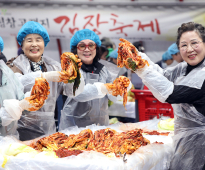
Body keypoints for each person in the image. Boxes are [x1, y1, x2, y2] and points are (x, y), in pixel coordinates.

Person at [129, 22, 205, 170]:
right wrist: (141, 59)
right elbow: (163, 75)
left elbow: (170, 93)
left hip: (200, 145)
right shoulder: (184, 68)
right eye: (183, 45)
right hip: (183, 140)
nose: (189, 49)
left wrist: (142, 70)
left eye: (194, 43)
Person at [6, 21, 84, 141]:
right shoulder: (14, 64)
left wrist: (76, 74)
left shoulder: (54, 66)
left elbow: (71, 92)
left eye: (38, 40)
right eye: (29, 40)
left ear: (44, 43)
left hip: (49, 129)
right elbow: (16, 84)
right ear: (21, 44)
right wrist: (44, 76)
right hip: (21, 129)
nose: (34, 44)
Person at [59, 29, 131, 131]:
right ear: (76, 49)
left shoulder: (105, 69)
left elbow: (113, 97)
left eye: (91, 45)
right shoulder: (70, 69)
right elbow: (78, 94)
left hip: (100, 129)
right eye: (82, 46)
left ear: (96, 48)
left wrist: (122, 88)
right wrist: (102, 88)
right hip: (74, 129)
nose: (87, 49)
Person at [0, 26, 40, 143]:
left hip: (12, 141)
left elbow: (22, 104)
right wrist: (19, 105)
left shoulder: (7, 71)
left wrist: (31, 99)